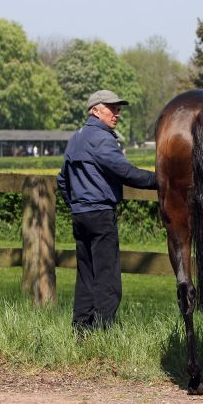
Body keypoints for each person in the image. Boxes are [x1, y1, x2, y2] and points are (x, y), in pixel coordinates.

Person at [57, 90, 157, 334]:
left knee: (86, 275)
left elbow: (62, 179)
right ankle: (102, 333)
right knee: (108, 278)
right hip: (100, 214)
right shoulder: (101, 138)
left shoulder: (76, 138)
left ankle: (81, 331)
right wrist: (163, 180)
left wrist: (76, 205)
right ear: (95, 110)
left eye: (118, 108)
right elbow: (124, 171)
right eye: (111, 108)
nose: (117, 113)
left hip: (80, 215)